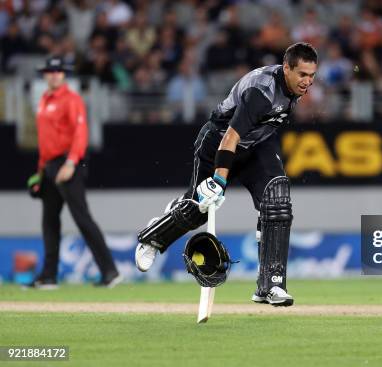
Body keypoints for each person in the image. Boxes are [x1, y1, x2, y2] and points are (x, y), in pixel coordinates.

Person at [135, 42, 318, 306]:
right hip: (218, 144)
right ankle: (153, 236)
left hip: (256, 145)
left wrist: (264, 223)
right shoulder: (261, 91)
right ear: (286, 67)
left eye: (312, 76)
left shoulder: (294, 86)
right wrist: (219, 181)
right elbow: (231, 136)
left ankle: (270, 286)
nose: (308, 82)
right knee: (196, 210)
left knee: (276, 200)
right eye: (302, 74)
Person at [25, 56, 122, 289]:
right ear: (45, 74)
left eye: (58, 71)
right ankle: (48, 276)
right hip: (49, 166)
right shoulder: (44, 100)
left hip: (67, 163)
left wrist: (70, 163)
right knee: (49, 221)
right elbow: (44, 140)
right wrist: (39, 172)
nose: (54, 74)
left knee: (81, 217)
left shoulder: (71, 99)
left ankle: (110, 271)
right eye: (50, 70)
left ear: (63, 74)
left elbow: (81, 132)